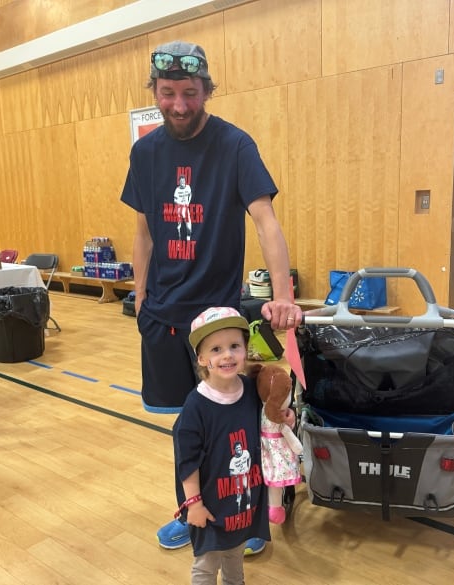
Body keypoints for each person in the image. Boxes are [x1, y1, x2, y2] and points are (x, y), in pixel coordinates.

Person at [119, 40, 302, 553]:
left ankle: (248, 517)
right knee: (187, 429)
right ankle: (191, 510)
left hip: (216, 318)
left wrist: (284, 295)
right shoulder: (145, 151)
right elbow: (144, 232)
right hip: (161, 316)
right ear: (154, 91)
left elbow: (266, 222)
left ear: (208, 91)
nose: (179, 104)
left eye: (190, 93)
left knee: (238, 426)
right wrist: (139, 294)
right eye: (168, 93)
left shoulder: (235, 145)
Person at [173, 307, 269, 585]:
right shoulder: (196, 406)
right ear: (201, 358)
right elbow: (187, 462)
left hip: (241, 503)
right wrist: (194, 504)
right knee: (206, 564)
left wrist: (284, 415)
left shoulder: (251, 389)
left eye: (234, 346)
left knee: (235, 555)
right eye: (216, 349)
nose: (227, 355)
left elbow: (269, 423)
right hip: (209, 505)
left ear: (245, 350)